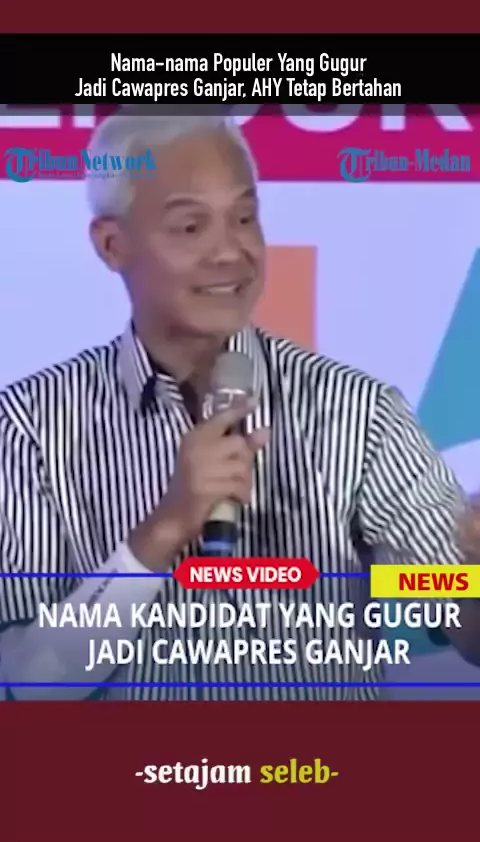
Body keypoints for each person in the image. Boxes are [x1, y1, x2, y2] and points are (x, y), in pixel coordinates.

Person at [1, 108, 480, 702]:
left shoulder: (359, 413)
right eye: (190, 226)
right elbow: (32, 682)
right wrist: (164, 529)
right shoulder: (32, 426)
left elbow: (456, 611)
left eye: (245, 218)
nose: (231, 252)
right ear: (112, 244)